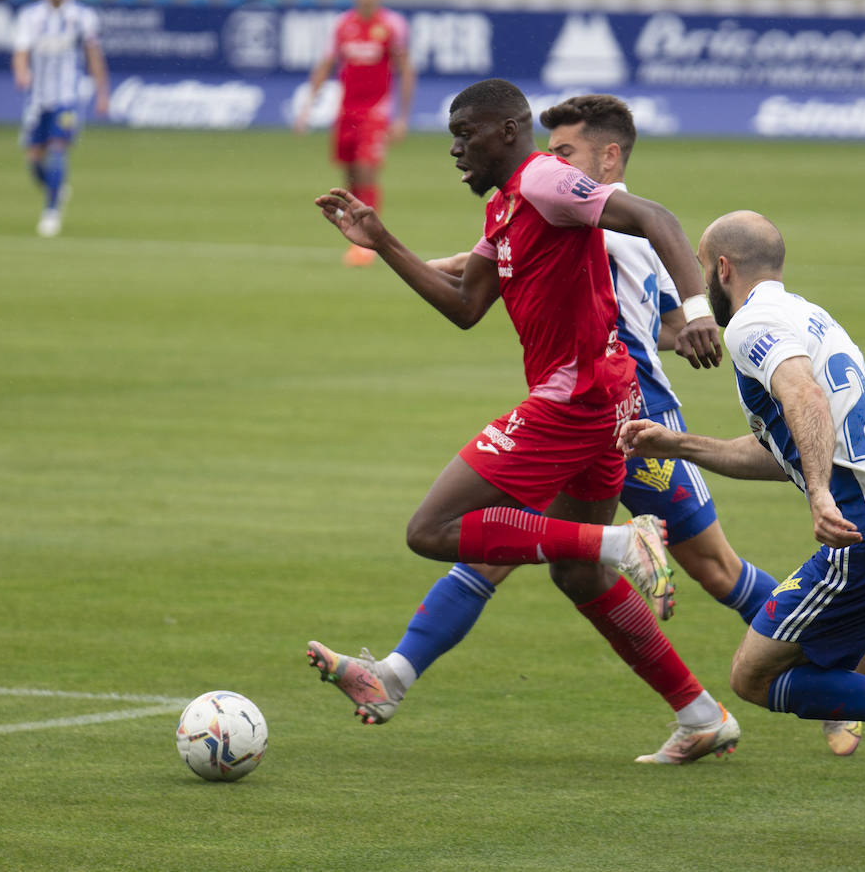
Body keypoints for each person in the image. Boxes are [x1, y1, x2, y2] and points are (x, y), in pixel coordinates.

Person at [309, 78, 741, 764]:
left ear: (507, 132)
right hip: (600, 399)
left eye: (464, 134)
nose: (454, 150)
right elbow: (464, 305)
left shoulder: (543, 180)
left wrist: (695, 313)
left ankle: (624, 543)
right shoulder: (507, 206)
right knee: (577, 575)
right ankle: (698, 712)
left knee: (431, 530)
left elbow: (656, 217)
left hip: (572, 400)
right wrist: (384, 240)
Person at [421, 93, 862, 756]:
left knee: (714, 569)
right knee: (502, 548)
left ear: (609, 155)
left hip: (635, 417)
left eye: (565, 150)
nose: (551, 160)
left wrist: (690, 319)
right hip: (577, 414)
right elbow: (532, 265)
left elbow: (661, 285)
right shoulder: (553, 204)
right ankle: (394, 671)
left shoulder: (610, 217)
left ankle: (836, 673)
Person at [619, 211, 865, 848]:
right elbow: (783, 447)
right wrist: (681, 444)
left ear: (721, 269)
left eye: (703, 269)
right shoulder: (810, 316)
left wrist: (815, 492)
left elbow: (805, 401)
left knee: (754, 677)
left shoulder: (752, 323)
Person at [296, 0, 416, 267]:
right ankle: (357, 236)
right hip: (346, 111)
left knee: (366, 171)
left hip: (376, 112)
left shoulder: (391, 26)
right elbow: (326, 64)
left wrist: (402, 117)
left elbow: (406, 71)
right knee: (349, 177)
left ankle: (370, 244)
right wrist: (308, 105)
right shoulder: (342, 25)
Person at [11, 0, 108, 239]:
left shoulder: (82, 17)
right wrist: (21, 72)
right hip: (37, 98)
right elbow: (20, 51)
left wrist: (102, 93)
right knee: (33, 160)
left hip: (68, 97)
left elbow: (94, 55)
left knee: (57, 149)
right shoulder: (30, 16)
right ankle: (55, 187)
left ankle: (51, 212)